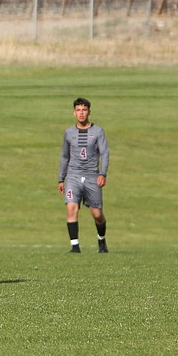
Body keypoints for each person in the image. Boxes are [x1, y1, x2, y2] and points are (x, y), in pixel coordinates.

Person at [58, 97, 110, 253]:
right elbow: (65, 156)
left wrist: (102, 173)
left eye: (84, 110)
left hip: (91, 176)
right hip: (73, 175)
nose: (81, 113)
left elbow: (105, 153)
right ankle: (75, 246)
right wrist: (61, 178)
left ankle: (101, 240)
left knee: (97, 214)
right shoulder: (68, 133)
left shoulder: (98, 131)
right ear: (74, 113)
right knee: (71, 208)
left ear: (89, 112)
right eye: (78, 110)